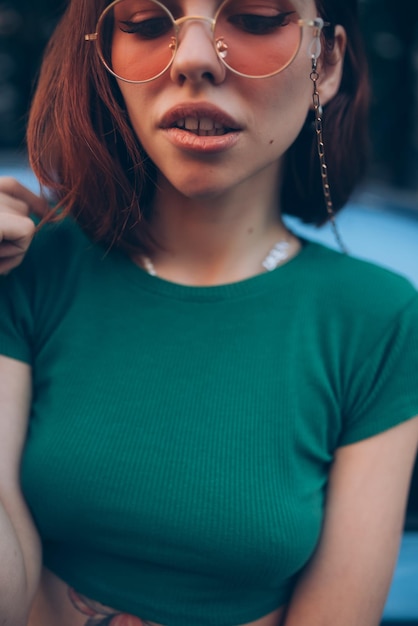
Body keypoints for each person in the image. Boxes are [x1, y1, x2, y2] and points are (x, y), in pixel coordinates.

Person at [0, 0, 417, 625]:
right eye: (144, 23)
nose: (193, 59)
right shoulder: (29, 264)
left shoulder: (377, 320)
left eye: (253, 18)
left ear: (325, 62)